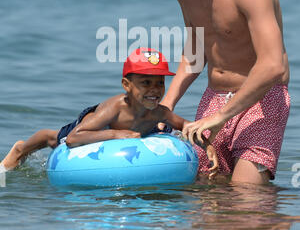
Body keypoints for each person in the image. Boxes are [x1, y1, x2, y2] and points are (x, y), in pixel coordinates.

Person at [156, 0, 290, 185]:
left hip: (262, 101)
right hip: (213, 98)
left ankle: (279, 222)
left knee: (246, 194)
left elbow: (272, 64)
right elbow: (195, 51)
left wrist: (221, 117)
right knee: (206, 190)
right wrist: (165, 105)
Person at [0, 47, 219, 177]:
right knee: (55, 138)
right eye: (145, 82)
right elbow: (74, 138)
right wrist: (116, 134)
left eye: (159, 83)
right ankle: (21, 149)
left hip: (137, 126)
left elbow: (188, 127)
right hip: (99, 125)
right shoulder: (115, 109)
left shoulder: (159, 112)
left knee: (164, 127)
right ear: (126, 85)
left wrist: (208, 147)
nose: (154, 90)